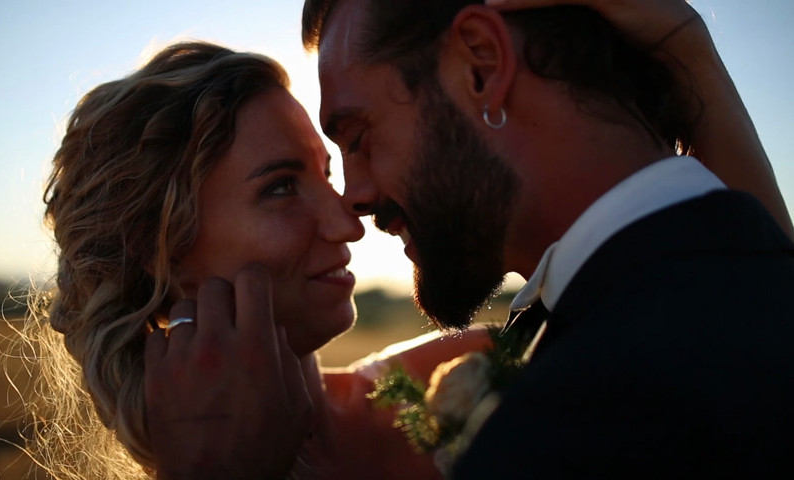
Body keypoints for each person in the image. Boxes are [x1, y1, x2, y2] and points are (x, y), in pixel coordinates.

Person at [145, 0, 794, 478]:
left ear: (481, 68)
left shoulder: (568, 430)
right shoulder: (750, 281)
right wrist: (688, 51)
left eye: (359, 138)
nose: (355, 201)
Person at [11, 41, 491, 480]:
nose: (348, 225)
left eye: (325, 175)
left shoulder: (472, 373)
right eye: (280, 187)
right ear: (159, 251)